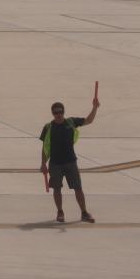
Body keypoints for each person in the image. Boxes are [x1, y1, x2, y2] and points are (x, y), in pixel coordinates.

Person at [40, 91, 99, 223]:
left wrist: (95, 107)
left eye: (60, 112)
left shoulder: (71, 122)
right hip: (55, 164)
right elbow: (44, 147)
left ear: (64, 112)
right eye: (56, 112)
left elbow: (89, 120)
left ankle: (84, 212)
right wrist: (43, 164)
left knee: (78, 188)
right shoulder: (48, 127)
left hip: (71, 162)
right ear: (52, 113)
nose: (58, 114)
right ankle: (60, 212)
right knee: (57, 189)